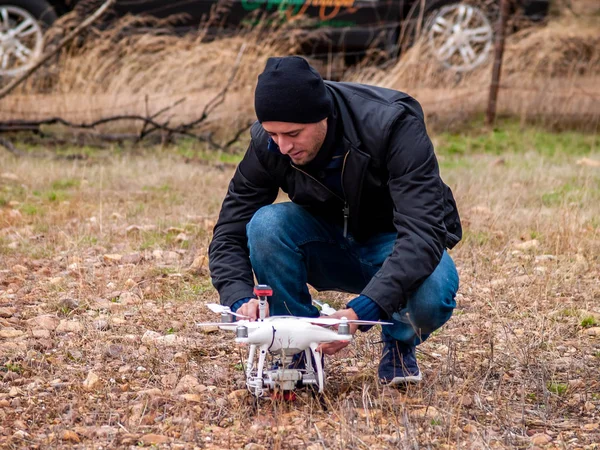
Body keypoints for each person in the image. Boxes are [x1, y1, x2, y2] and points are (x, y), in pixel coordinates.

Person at [208, 56, 461, 385]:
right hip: (325, 241)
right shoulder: (267, 145)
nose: (283, 146)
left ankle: (399, 342)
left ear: (322, 115)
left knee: (433, 293)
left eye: (293, 134)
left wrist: (360, 313)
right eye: (273, 134)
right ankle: (297, 346)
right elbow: (229, 232)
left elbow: (423, 234)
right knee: (265, 225)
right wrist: (239, 297)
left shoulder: (392, 123)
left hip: (394, 242)